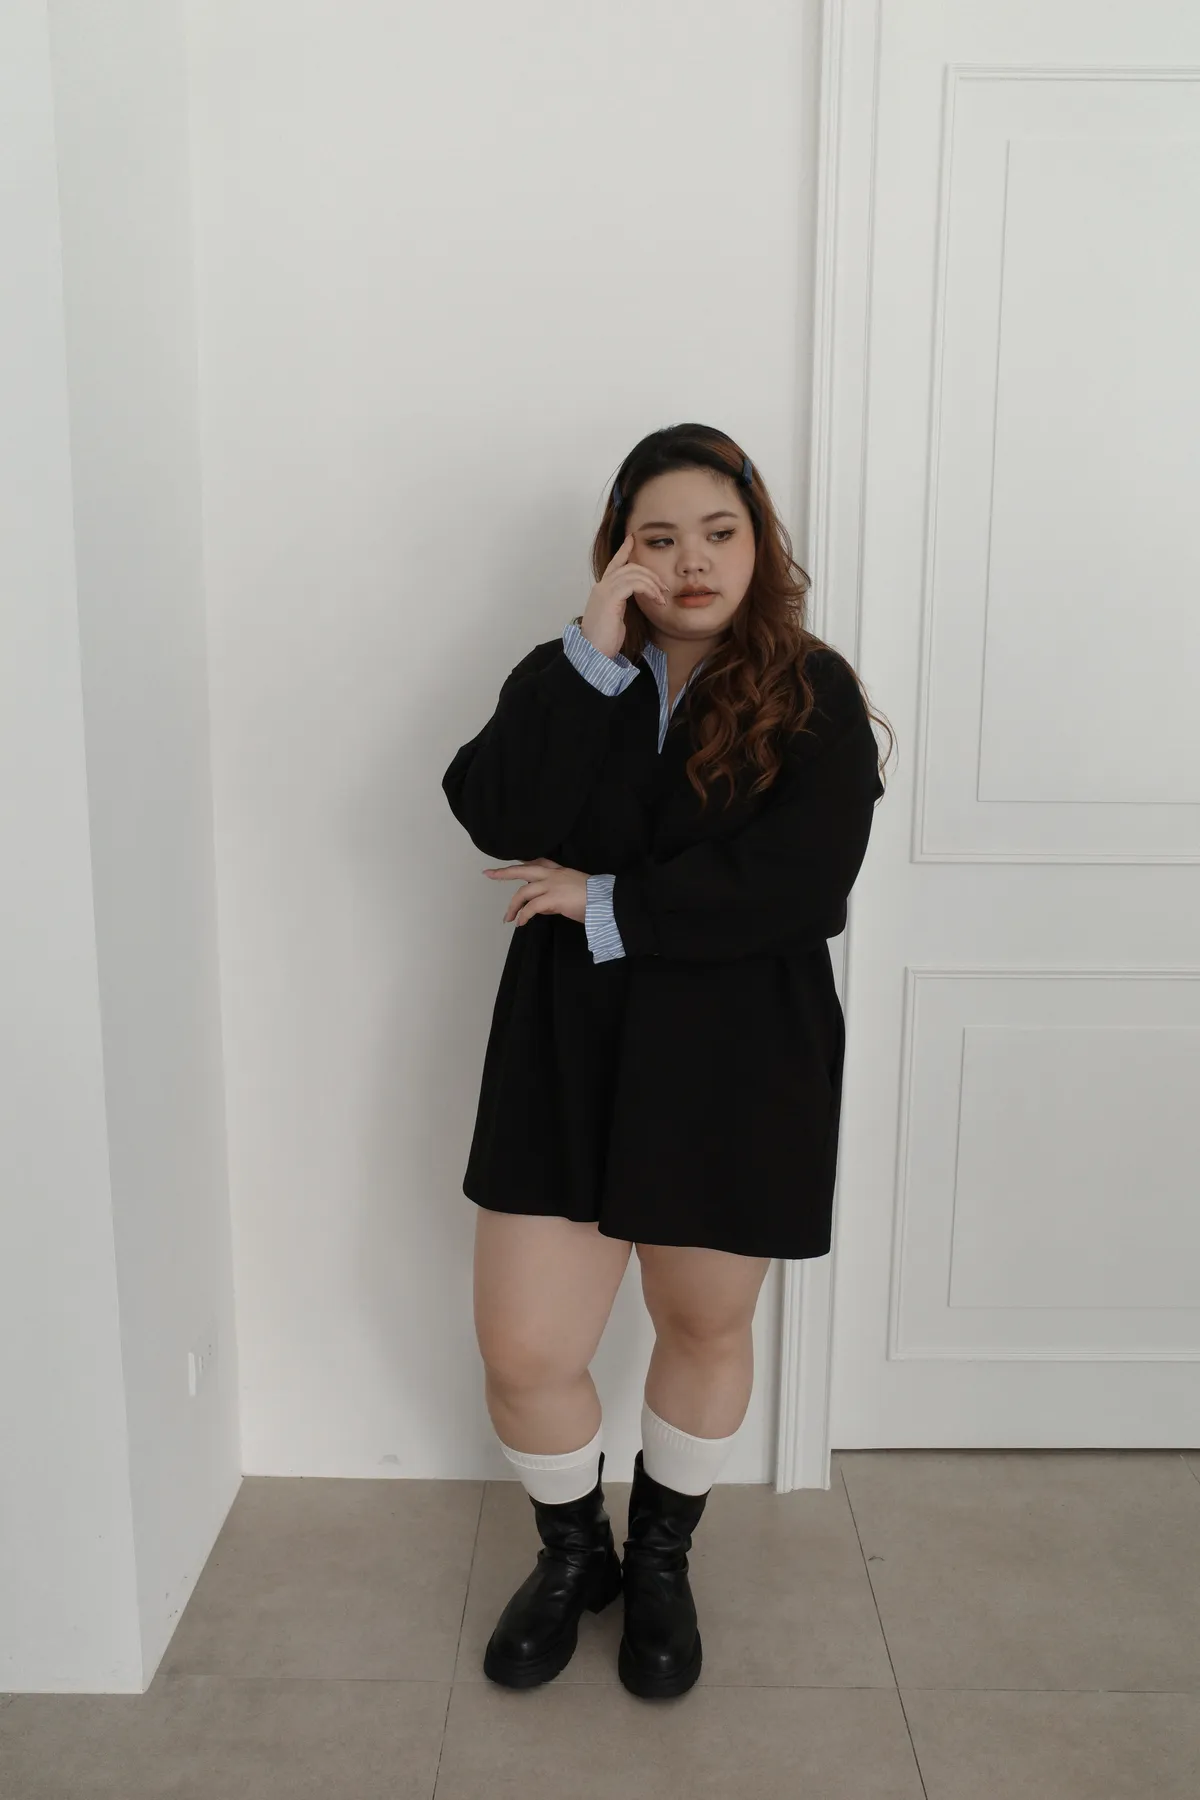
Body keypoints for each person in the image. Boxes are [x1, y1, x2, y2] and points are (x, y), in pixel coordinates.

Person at [440, 423, 892, 1701]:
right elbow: (491, 808)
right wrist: (589, 657)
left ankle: (661, 1559)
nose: (692, 561)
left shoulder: (813, 692)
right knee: (526, 1349)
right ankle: (572, 1553)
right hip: (565, 1049)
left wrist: (605, 902)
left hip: (737, 1057)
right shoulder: (571, 674)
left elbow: (801, 884)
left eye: (719, 532)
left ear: (759, 542)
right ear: (618, 553)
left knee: (703, 1323)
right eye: (658, 537)